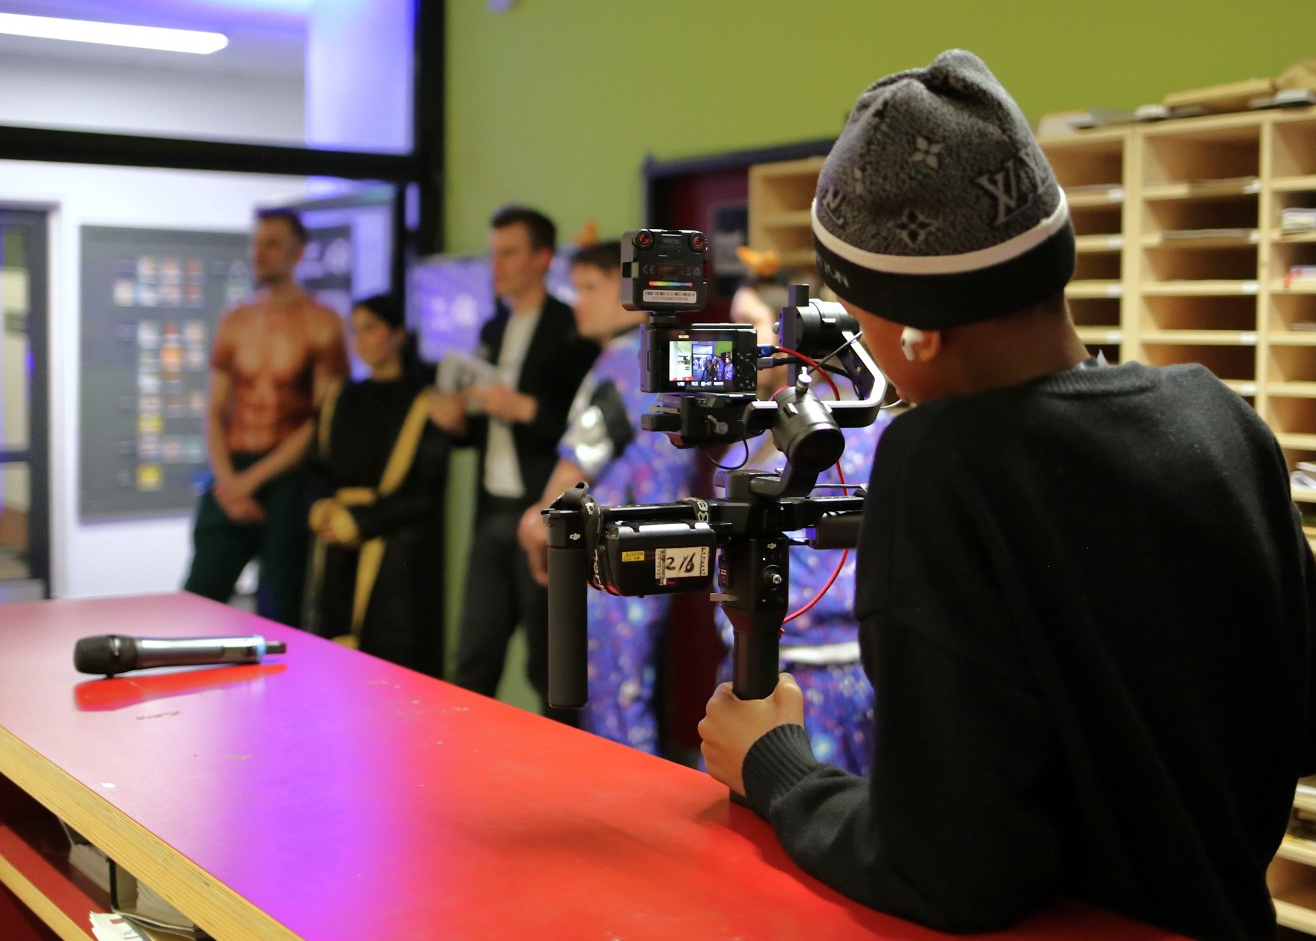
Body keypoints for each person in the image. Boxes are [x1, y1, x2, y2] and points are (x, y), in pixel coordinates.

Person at [698, 49, 1316, 939]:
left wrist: (775, 765)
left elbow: (953, 869)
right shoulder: (1220, 419)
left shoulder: (945, 466)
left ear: (919, 329)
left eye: (859, 317)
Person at [517, 241, 699, 753]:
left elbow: (582, 456)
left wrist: (537, 522)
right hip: (670, 549)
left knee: (613, 700)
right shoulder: (672, 358)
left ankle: (630, 801)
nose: (578, 301)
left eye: (591, 288)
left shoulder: (624, 364)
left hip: (616, 557)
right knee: (634, 690)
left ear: (635, 296)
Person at [711, 278, 891, 775]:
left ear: (793, 338)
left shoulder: (866, 432)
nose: (738, 342)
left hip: (833, 678)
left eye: (749, 325)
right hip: (757, 658)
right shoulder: (755, 435)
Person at [431, 206, 599, 709]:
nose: (496, 265)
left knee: (547, 663)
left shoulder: (571, 328)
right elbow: (483, 425)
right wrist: (458, 422)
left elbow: (584, 430)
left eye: (508, 253)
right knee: (474, 655)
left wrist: (525, 409)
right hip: (491, 509)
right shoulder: (493, 326)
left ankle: (563, 753)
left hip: (542, 508)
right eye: (493, 254)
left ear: (541, 258)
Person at [183, 207, 348, 627]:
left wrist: (252, 482)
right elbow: (214, 409)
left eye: (272, 244)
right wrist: (229, 481)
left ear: (297, 253)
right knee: (198, 598)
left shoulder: (322, 323)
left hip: (287, 476)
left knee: (281, 609)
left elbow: (320, 421)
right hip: (233, 469)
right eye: (257, 243)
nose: (260, 253)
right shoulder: (236, 319)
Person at [305, 294, 448, 676]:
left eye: (371, 328)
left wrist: (362, 521)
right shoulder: (340, 396)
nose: (361, 339)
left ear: (398, 334)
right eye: (355, 330)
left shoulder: (422, 401)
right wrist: (323, 509)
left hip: (394, 551)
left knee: (387, 661)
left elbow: (424, 490)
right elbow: (318, 467)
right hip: (336, 541)